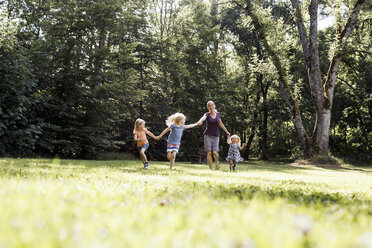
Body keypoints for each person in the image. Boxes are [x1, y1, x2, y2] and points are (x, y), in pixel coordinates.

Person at [199, 101, 230, 170]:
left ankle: (217, 162)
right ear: (207, 107)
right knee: (209, 152)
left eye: (212, 105)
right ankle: (211, 168)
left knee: (215, 152)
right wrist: (200, 121)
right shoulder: (206, 114)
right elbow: (203, 118)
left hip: (216, 135)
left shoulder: (218, 114)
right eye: (209, 106)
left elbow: (221, 124)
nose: (211, 107)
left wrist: (227, 131)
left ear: (214, 106)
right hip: (207, 135)